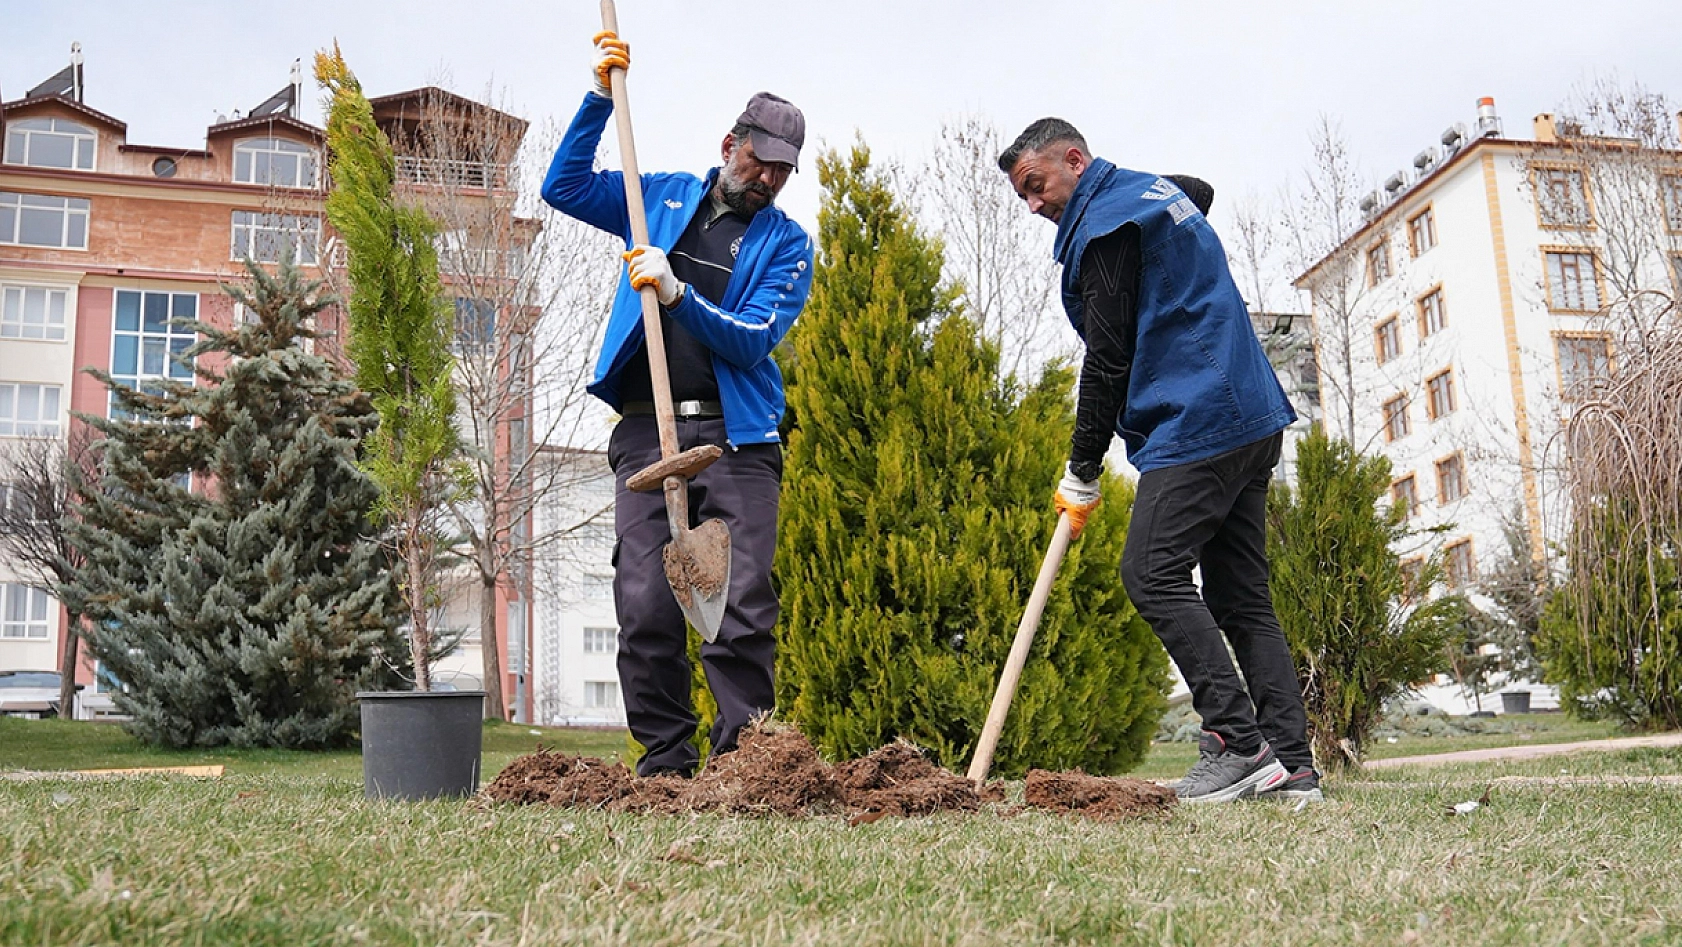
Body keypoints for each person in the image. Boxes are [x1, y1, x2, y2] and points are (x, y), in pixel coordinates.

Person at [998, 118, 1321, 804]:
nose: (1032, 206)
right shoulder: (1150, 197)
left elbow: (1107, 359)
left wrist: (1082, 467)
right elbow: (1196, 189)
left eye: (1037, 185)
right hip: (1252, 411)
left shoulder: (1108, 231)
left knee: (1151, 570)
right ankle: (1292, 766)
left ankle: (1236, 740)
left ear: (1075, 161)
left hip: (1198, 416)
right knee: (1241, 597)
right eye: (1021, 196)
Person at [542, 32, 814, 777]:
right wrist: (599, 100)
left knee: (741, 603)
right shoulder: (652, 196)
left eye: (781, 171)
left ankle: (741, 765)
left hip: (737, 438)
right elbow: (562, 188)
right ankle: (666, 764)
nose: (766, 178)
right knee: (646, 604)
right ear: (730, 143)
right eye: (757, 160)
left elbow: (754, 339)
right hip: (645, 431)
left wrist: (676, 294)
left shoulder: (788, 245)